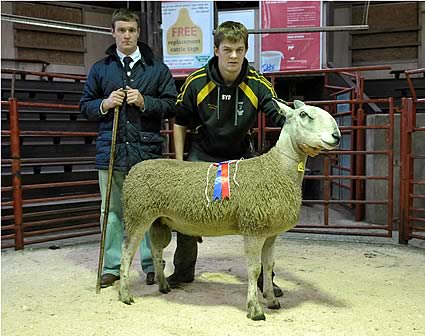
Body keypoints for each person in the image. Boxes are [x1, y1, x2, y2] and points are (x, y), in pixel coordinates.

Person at [169, 21, 285, 297]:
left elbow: (280, 116)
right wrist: (179, 164)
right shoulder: (196, 82)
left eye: (240, 49)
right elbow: (179, 122)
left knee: (262, 216)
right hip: (203, 155)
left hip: (242, 157)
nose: (234, 56)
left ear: (246, 50)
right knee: (186, 211)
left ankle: (264, 278)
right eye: (228, 49)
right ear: (216, 50)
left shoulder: (257, 84)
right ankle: (184, 269)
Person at [80, 8, 177, 288]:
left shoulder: (157, 69)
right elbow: (85, 107)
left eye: (131, 30)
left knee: (150, 212)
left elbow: (171, 105)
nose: (126, 35)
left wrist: (145, 101)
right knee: (111, 211)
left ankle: (151, 264)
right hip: (110, 154)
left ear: (138, 33)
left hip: (146, 155)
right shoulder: (100, 69)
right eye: (121, 30)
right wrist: (105, 104)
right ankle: (111, 266)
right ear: (113, 32)